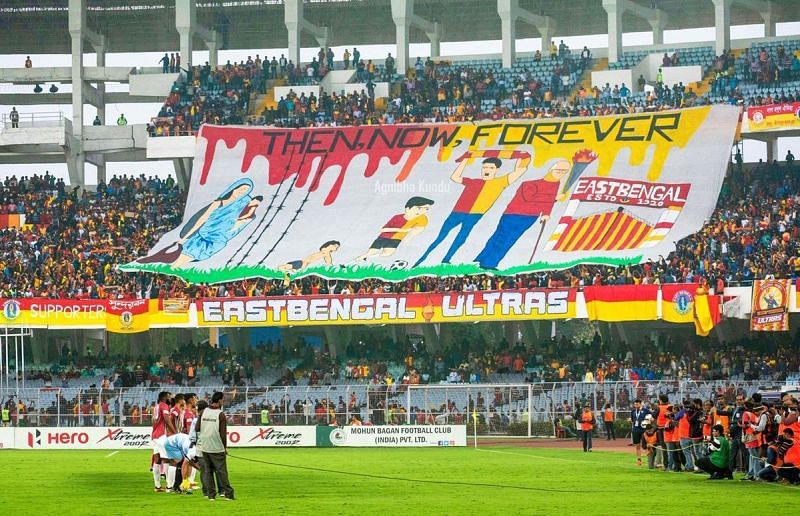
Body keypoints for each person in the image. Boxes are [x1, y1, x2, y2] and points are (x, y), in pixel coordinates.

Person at [414, 151, 530, 267]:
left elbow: (520, 170)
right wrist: (465, 160)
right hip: (457, 212)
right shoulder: (474, 181)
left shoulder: (500, 182)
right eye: (484, 167)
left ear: (496, 170)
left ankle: (446, 259)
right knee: (441, 236)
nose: (487, 170)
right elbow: (455, 177)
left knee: (462, 237)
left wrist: (518, 156)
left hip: (475, 214)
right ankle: (422, 258)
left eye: (491, 167)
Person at [474, 158, 565, 269]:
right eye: (559, 170)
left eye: (563, 171)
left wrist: (546, 213)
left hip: (530, 217)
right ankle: (487, 263)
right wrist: (553, 198)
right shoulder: (529, 183)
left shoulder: (556, 184)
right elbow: (529, 197)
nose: (560, 173)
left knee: (508, 239)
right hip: (513, 214)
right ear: (552, 169)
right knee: (502, 238)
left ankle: (484, 261)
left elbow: (547, 203)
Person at [354, 197, 434, 263]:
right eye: (419, 208)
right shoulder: (397, 217)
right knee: (370, 252)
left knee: (388, 253)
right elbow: (383, 229)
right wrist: (401, 230)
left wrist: (409, 237)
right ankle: (353, 262)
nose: (421, 211)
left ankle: (370, 257)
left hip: (396, 239)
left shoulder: (422, 218)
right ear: (407, 208)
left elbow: (418, 229)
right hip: (384, 237)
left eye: (426, 209)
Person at [197, 391, 234, 501]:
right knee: (221, 471)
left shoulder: (203, 412)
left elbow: (197, 428)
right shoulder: (220, 414)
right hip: (217, 447)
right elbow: (223, 433)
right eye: (223, 400)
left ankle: (211, 495)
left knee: (208, 471)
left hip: (205, 446)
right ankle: (228, 494)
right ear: (219, 401)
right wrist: (225, 447)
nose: (223, 402)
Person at [151, 391, 176, 492]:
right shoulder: (164, 406)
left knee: (157, 461)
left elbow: (153, 421)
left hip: (155, 435)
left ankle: (157, 486)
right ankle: (169, 486)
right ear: (164, 398)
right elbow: (166, 419)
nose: (170, 398)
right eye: (169, 397)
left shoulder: (156, 406)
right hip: (161, 436)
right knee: (169, 460)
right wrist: (175, 432)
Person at [630, 399, 652, 466]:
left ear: (640, 404)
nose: (636, 405)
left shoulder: (646, 411)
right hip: (635, 429)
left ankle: (650, 460)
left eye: (637, 404)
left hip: (643, 430)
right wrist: (630, 421)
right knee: (637, 445)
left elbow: (651, 418)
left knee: (645, 445)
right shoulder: (633, 411)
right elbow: (632, 420)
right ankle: (639, 460)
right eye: (635, 404)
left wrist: (646, 423)